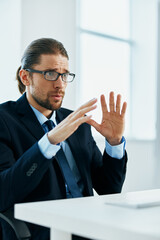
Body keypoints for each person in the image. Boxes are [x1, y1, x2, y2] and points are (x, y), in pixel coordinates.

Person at [0, 38, 127, 240]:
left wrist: (114, 143)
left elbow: (109, 189)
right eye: (50, 74)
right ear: (25, 77)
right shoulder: (4, 120)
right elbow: (4, 192)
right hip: (41, 232)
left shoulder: (77, 122)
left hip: (88, 228)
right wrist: (48, 143)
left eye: (64, 75)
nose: (60, 84)